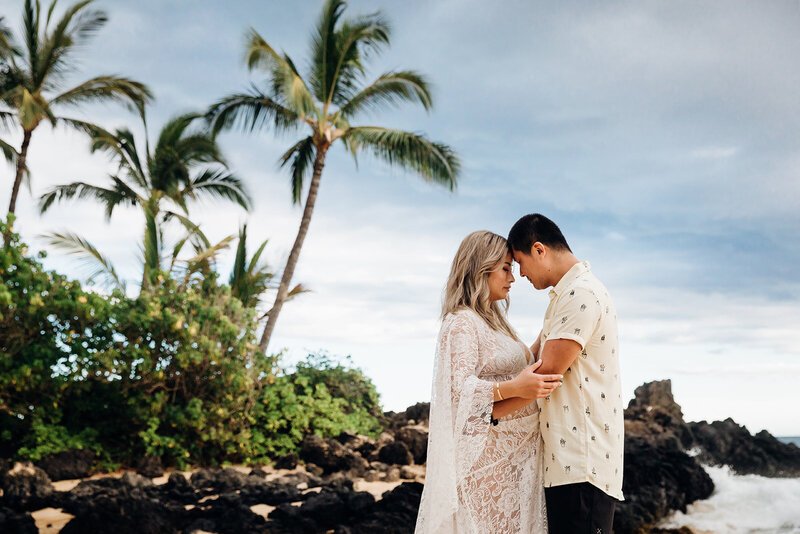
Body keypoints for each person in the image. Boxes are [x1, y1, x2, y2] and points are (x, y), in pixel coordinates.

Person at [415, 230, 562, 534]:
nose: (513, 277)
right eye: (506, 268)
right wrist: (513, 389)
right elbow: (459, 395)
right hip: (486, 467)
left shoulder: (494, 321)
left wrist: (553, 326)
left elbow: (523, 364)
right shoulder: (462, 322)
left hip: (517, 461)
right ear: (481, 269)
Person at [507, 214, 624, 534]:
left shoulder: (580, 295)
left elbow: (544, 374)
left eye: (519, 262)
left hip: (580, 465)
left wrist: (487, 409)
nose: (520, 274)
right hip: (570, 464)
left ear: (539, 250)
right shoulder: (566, 295)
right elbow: (530, 358)